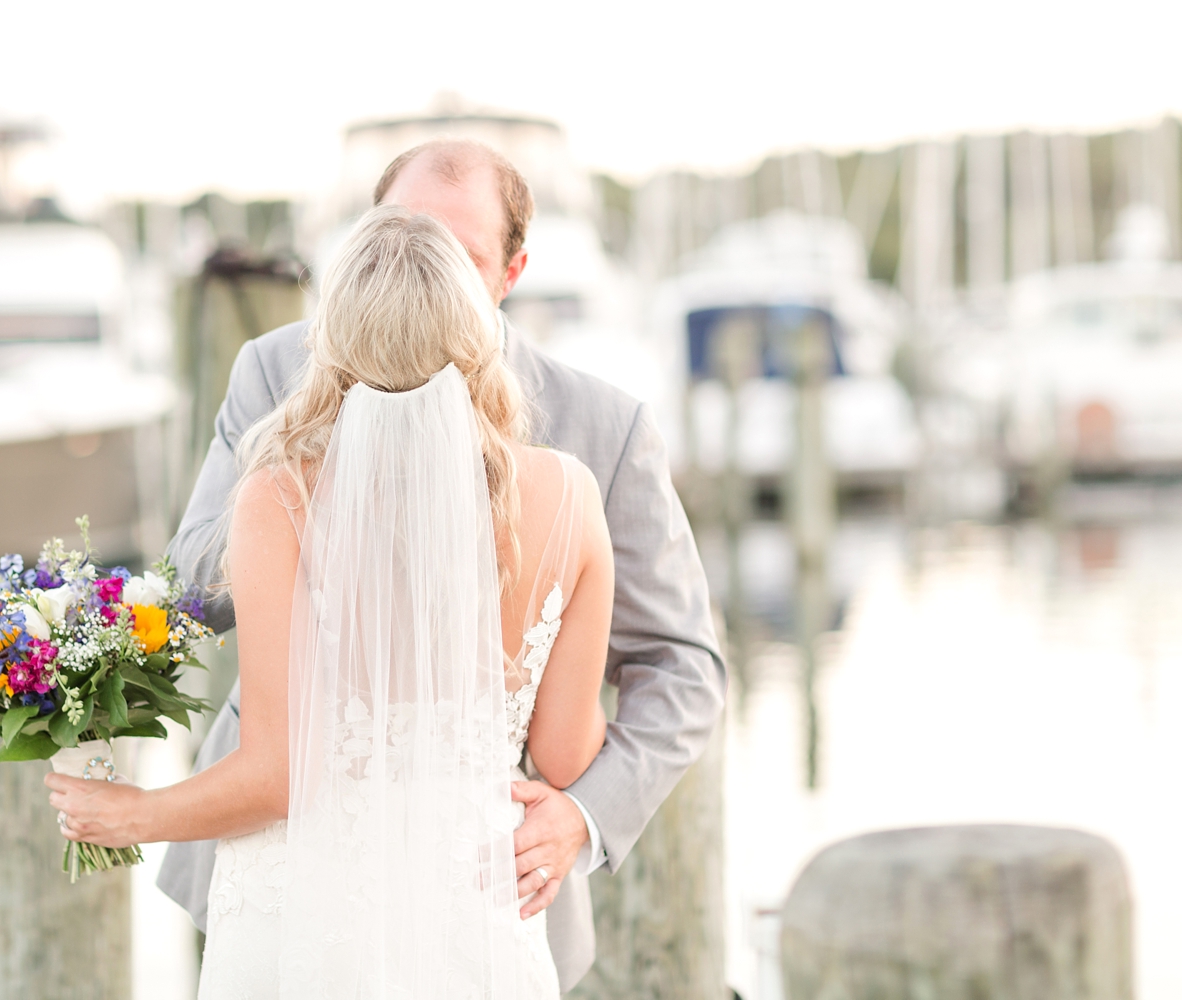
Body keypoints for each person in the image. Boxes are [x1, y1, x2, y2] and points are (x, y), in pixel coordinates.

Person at [49, 139, 726, 992]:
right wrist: (343, 482)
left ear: (512, 271)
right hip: (280, 869)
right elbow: (190, 584)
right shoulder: (273, 375)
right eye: (403, 235)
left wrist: (586, 814)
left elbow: (684, 666)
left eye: (455, 253)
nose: (417, 267)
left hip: (495, 875)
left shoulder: (607, 425)